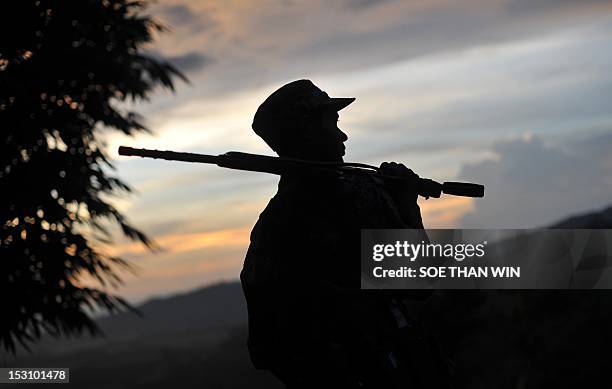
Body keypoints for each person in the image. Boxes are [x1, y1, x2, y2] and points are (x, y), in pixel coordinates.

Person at [240, 80, 449, 388]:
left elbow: (266, 348)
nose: (342, 135)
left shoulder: (270, 226)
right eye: (332, 123)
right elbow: (420, 281)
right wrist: (407, 203)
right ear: (307, 130)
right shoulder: (355, 198)